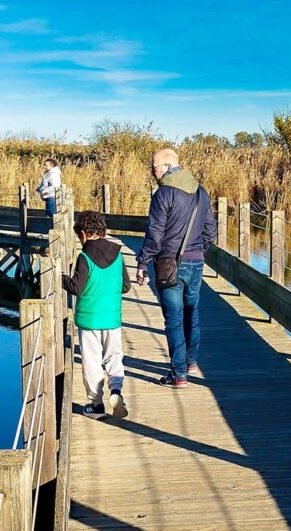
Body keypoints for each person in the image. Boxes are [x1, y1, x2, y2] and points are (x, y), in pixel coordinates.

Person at [135, 148, 215, 388]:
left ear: (169, 166)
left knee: (174, 319)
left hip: (169, 263)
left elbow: (155, 233)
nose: (152, 171)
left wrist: (142, 261)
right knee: (192, 311)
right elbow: (211, 231)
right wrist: (199, 250)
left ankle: (178, 374)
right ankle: (190, 362)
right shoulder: (201, 193)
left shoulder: (163, 194)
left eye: (155, 167)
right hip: (196, 261)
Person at [63, 212, 131, 417]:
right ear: (103, 231)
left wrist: (61, 278)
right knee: (114, 356)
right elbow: (126, 286)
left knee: (92, 360)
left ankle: (96, 404)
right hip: (112, 318)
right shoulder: (118, 254)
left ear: (83, 234)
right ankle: (116, 390)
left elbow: (76, 287)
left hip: (89, 319)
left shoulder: (84, 257)